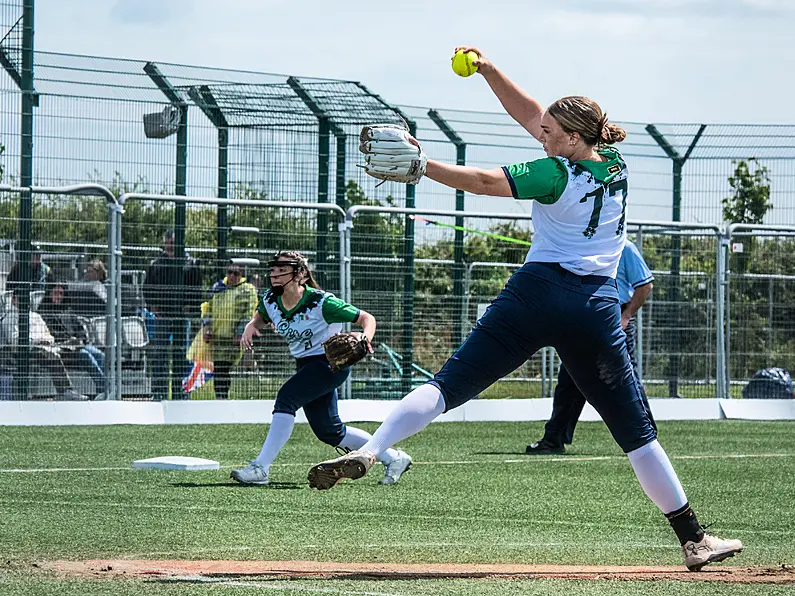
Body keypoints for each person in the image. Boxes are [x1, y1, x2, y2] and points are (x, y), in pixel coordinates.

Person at [307, 48, 742, 572]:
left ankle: (374, 447)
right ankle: (694, 539)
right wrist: (489, 70)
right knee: (635, 431)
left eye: (552, 132)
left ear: (575, 139)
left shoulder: (553, 172)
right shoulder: (615, 162)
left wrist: (424, 166)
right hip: (592, 307)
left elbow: (488, 182)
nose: (542, 133)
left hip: (533, 295)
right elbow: (533, 110)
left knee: (449, 384)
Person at [232, 250, 412, 486]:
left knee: (286, 399)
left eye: (281, 270)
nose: (274, 275)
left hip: (330, 364)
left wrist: (365, 338)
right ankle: (393, 458)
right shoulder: (270, 299)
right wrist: (251, 326)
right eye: (273, 270)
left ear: (301, 275)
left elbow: (367, 318)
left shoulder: (322, 302)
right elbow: (261, 317)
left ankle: (260, 468)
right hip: (305, 365)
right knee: (330, 432)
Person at [527, 239, 654, 454]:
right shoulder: (583, 247)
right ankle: (553, 439)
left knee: (626, 378)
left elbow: (645, 285)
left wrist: (626, 316)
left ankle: (649, 438)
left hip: (613, 317)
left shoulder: (626, 248)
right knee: (569, 380)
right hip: (584, 316)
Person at [143, 229, 203, 401]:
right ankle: (159, 392)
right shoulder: (156, 264)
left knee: (182, 353)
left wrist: (190, 306)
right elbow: (148, 287)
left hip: (181, 316)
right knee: (159, 353)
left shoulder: (190, 263)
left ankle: (182, 390)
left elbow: (196, 288)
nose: (170, 245)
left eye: (173, 242)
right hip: (162, 315)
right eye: (168, 242)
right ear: (164, 243)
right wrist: (152, 305)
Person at [0, 293, 89, 401]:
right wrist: (37, 341)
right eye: (21, 298)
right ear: (13, 300)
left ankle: (101, 388)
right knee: (50, 353)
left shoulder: (36, 316)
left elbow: (49, 335)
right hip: (27, 350)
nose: (25, 301)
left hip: (47, 345)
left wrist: (46, 340)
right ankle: (65, 391)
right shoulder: (9, 318)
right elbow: (14, 342)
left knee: (78, 348)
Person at [39, 280, 106, 400]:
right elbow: (51, 334)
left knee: (99, 354)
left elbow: (80, 329)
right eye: (55, 293)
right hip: (61, 348)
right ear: (49, 293)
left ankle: (104, 390)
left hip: (76, 345)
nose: (58, 296)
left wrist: (79, 339)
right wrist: (69, 340)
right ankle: (104, 387)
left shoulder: (67, 310)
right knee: (86, 355)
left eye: (61, 293)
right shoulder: (44, 311)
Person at [201, 262, 258, 400]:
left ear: (242, 275)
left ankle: (223, 397)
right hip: (216, 336)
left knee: (224, 367)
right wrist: (206, 328)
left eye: (236, 273)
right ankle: (220, 398)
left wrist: (240, 333)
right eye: (230, 272)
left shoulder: (247, 289)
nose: (232, 276)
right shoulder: (218, 287)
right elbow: (208, 309)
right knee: (219, 367)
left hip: (232, 337)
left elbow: (249, 312)